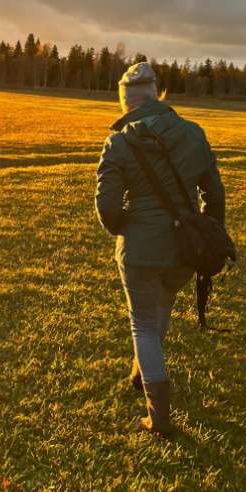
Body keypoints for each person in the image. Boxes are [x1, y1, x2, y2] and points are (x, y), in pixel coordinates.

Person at [95, 61, 226, 437]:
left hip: (140, 250)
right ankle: (141, 374)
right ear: (157, 95)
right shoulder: (193, 133)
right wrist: (209, 232)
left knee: (144, 324)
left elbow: (107, 207)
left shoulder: (119, 140)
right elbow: (214, 194)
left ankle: (160, 419)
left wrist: (124, 228)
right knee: (161, 308)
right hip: (185, 250)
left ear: (127, 103)